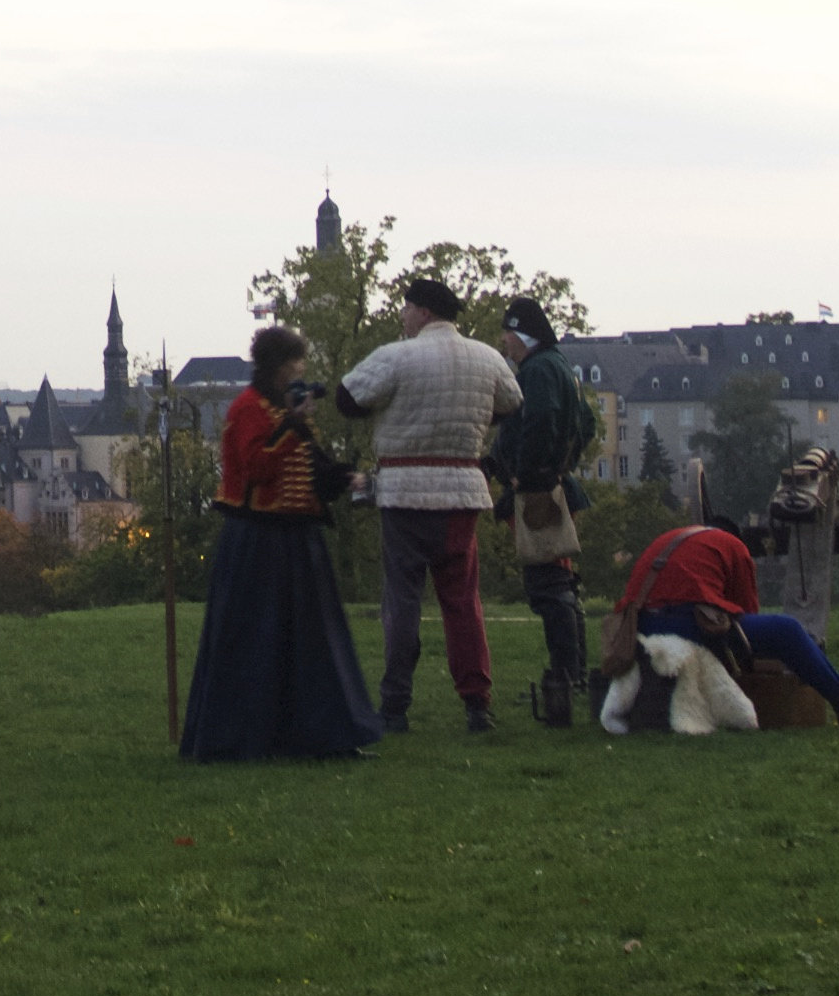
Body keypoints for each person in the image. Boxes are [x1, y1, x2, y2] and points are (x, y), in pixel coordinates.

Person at [182, 324, 382, 760]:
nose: (302, 369)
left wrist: (345, 477)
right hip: (258, 542)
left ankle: (322, 736)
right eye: (296, 362)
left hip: (299, 541)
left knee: (314, 644)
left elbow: (312, 466)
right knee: (256, 641)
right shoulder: (247, 409)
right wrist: (292, 425)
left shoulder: (288, 410)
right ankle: (246, 739)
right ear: (278, 367)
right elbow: (257, 467)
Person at [335, 270, 521, 735]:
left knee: (402, 601)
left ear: (423, 311)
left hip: (404, 493)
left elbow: (347, 398)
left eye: (406, 308)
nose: (402, 315)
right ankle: (477, 703)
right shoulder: (488, 358)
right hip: (462, 493)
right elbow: (512, 403)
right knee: (463, 602)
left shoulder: (397, 356)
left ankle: (395, 705)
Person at [614, 514, 839, 729]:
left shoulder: (668, 539)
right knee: (787, 630)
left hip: (640, 626)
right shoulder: (733, 545)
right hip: (688, 625)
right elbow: (746, 610)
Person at [486, 293, 600, 727]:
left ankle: (565, 678)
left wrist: (528, 473)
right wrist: (560, 465)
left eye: (508, 334)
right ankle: (573, 676)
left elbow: (540, 421)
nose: (504, 342)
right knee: (560, 584)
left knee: (549, 589)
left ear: (522, 335)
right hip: (554, 485)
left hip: (538, 492)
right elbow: (585, 424)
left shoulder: (536, 371)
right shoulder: (559, 367)